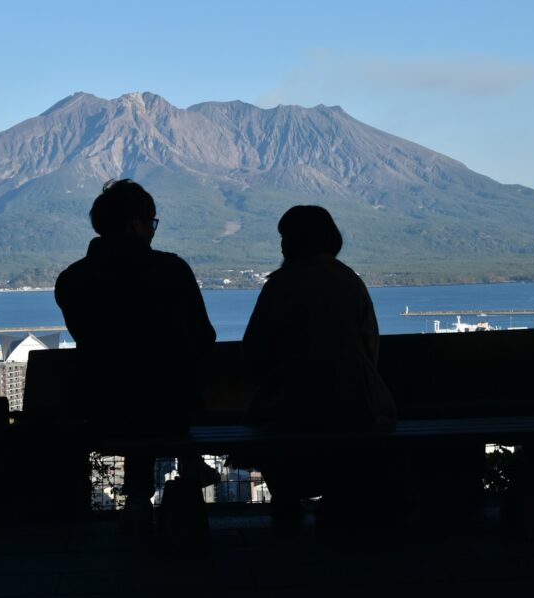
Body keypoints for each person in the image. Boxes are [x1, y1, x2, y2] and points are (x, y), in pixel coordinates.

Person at [55, 179, 218, 533]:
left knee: (129, 386)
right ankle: (185, 472)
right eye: (151, 223)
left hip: (100, 406)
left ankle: (140, 499)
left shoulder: (72, 280)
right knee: (157, 382)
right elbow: (204, 338)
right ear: (135, 224)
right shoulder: (172, 270)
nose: (153, 232)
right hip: (171, 406)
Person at [242, 205, 397, 527]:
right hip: (352, 406)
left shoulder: (281, 284)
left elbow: (255, 351)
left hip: (289, 410)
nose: (282, 245)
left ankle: (286, 503)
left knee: (268, 418)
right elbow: (370, 349)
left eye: (285, 238)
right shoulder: (349, 282)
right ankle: (339, 502)